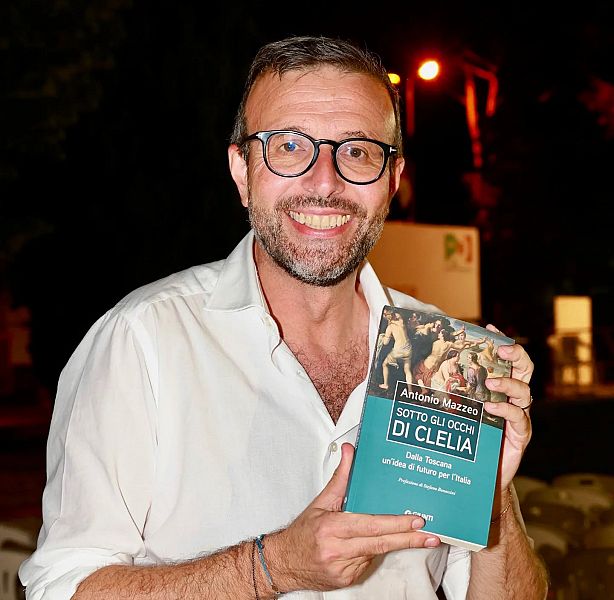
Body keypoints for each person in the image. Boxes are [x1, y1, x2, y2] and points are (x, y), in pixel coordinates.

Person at [19, 35, 548, 599]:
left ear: (393, 180)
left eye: (358, 151)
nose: (325, 183)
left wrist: (491, 498)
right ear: (242, 171)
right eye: (290, 147)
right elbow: (61, 587)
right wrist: (271, 568)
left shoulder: (437, 354)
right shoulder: (142, 341)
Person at [377, 309, 413, 389]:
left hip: (398, 350)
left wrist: (383, 337)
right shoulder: (401, 322)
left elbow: (385, 343)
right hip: (408, 349)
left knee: (384, 364)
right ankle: (410, 390)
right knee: (407, 370)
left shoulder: (390, 327)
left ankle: (385, 384)